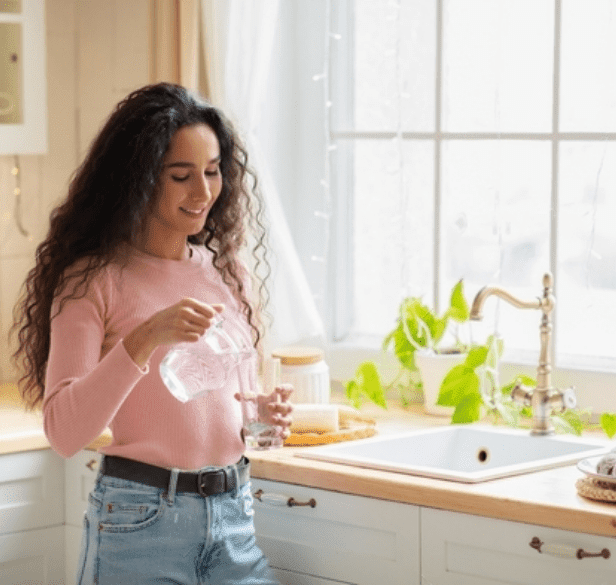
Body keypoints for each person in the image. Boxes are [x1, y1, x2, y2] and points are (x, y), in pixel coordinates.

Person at [12, 82, 293, 584]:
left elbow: (228, 406)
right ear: (139, 179)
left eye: (212, 172)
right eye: (181, 175)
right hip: (140, 525)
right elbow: (64, 432)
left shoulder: (226, 272)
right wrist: (143, 338)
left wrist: (261, 416)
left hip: (234, 517)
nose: (203, 191)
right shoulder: (93, 281)